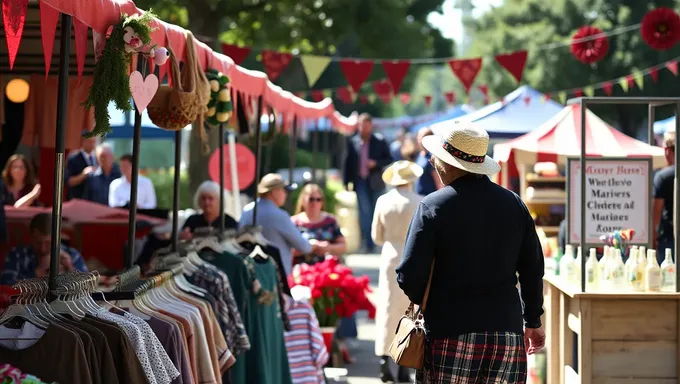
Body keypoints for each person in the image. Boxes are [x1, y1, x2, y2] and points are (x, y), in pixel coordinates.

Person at [396, 121, 545, 384]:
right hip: (506, 333)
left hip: (449, 331)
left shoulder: (433, 206)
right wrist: (532, 318)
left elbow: (409, 275)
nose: (435, 165)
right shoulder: (514, 205)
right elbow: (533, 267)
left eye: (437, 161)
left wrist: (433, 304)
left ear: (449, 165)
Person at [291, 184, 357, 363]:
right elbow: (287, 249)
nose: (314, 203)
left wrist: (325, 247)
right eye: (310, 198)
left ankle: (338, 344)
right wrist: (304, 249)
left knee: (339, 300)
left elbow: (343, 246)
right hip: (301, 275)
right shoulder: (294, 222)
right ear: (302, 200)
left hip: (328, 274)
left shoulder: (330, 221)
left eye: (317, 199)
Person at [371, 160, 424, 383]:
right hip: (413, 256)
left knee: (386, 308)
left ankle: (384, 360)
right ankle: (404, 363)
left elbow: (376, 236)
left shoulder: (383, 201)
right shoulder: (420, 201)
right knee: (410, 311)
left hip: (390, 255)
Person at [239, 173, 317, 276]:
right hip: (275, 277)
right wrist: (314, 244)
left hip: (249, 273)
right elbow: (304, 246)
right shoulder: (280, 216)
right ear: (274, 192)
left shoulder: (247, 210)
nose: (285, 194)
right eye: (283, 190)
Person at [343, 113, 393, 253]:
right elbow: (348, 162)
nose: (364, 128)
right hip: (360, 181)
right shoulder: (353, 141)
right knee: (364, 213)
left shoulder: (380, 141)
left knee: (377, 212)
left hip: (376, 182)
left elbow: (389, 159)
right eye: (361, 125)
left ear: (371, 126)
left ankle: (378, 241)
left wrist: (375, 163)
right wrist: (346, 181)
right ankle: (367, 243)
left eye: (366, 125)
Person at [0, 213, 87, 286]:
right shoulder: (17, 255)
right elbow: (6, 285)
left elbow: (87, 285)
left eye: (48, 243)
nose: (42, 249)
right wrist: (37, 273)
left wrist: (70, 268)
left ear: (58, 239)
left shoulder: (72, 255)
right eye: (37, 243)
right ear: (30, 237)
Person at [653, 130, 675, 263]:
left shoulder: (663, 177)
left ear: (667, 150)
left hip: (669, 240)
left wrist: (652, 240)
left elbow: (656, 213)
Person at [65, 133, 98, 200]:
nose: (92, 144)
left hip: (94, 200)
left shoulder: (98, 157)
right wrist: (83, 175)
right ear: (83, 142)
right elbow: (69, 182)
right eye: (89, 141)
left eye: (93, 141)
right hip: (78, 199)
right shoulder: (73, 158)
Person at [414, 127, 444, 195]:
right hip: (421, 197)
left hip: (431, 197)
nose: (419, 141)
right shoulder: (420, 155)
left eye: (421, 138)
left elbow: (439, 182)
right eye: (418, 138)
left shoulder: (432, 157)